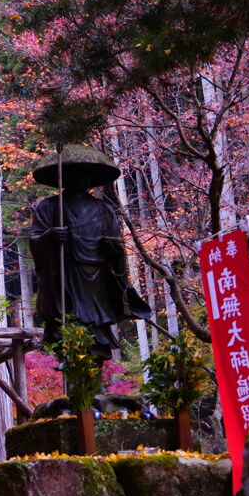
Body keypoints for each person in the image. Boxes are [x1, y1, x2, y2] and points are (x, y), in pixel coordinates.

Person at [29, 146, 152, 358]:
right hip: (66, 277)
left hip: (97, 281)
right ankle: (75, 378)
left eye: (87, 174)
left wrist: (112, 247)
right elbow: (35, 240)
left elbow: (117, 245)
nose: (83, 178)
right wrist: (50, 236)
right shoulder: (49, 207)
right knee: (67, 331)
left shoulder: (103, 210)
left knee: (96, 335)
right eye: (78, 173)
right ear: (65, 176)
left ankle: (95, 381)